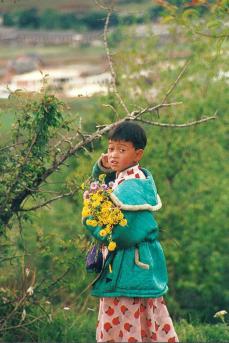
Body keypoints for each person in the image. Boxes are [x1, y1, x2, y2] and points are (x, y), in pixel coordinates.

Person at [83, 121, 179, 343]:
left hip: (129, 267)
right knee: (143, 323)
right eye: (110, 148)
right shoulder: (131, 178)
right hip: (136, 267)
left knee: (125, 323)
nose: (113, 155)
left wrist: (90, 221)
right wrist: (102, 168)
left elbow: (121, 236)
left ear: (138, 155)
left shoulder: (131, 188)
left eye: (121, 150)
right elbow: (102, 186)